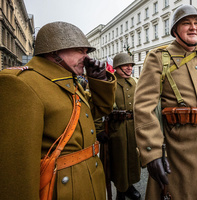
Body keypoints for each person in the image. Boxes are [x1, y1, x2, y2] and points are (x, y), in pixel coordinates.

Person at [0, 21, 116, 200]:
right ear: (54, 50)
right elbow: (17, 169)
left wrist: (99, 81)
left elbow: (99, 110)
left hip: (87, 183)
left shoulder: (70, 82)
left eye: (86, 52)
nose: (87, 58)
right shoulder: (22, 83)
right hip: (60, 189)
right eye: (80, 51)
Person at [134, 5, 197, 199]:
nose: (193, 27)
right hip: (179, 147)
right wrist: (152, 152)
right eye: (186, 23)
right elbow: (143, 107)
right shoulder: (158, 58)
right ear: (175, 30)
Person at [108, 53, 141, 200]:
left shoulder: (135, 82)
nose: (130, 68)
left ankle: (129, 186)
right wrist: (100, 130)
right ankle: (121, 190)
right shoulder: (110, 83)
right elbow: (99, 106)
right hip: (117, 128)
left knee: (133, 159)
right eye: (126, 65)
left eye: (131, 65)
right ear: (117, 67)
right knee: (119, 161)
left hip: (133, 126)